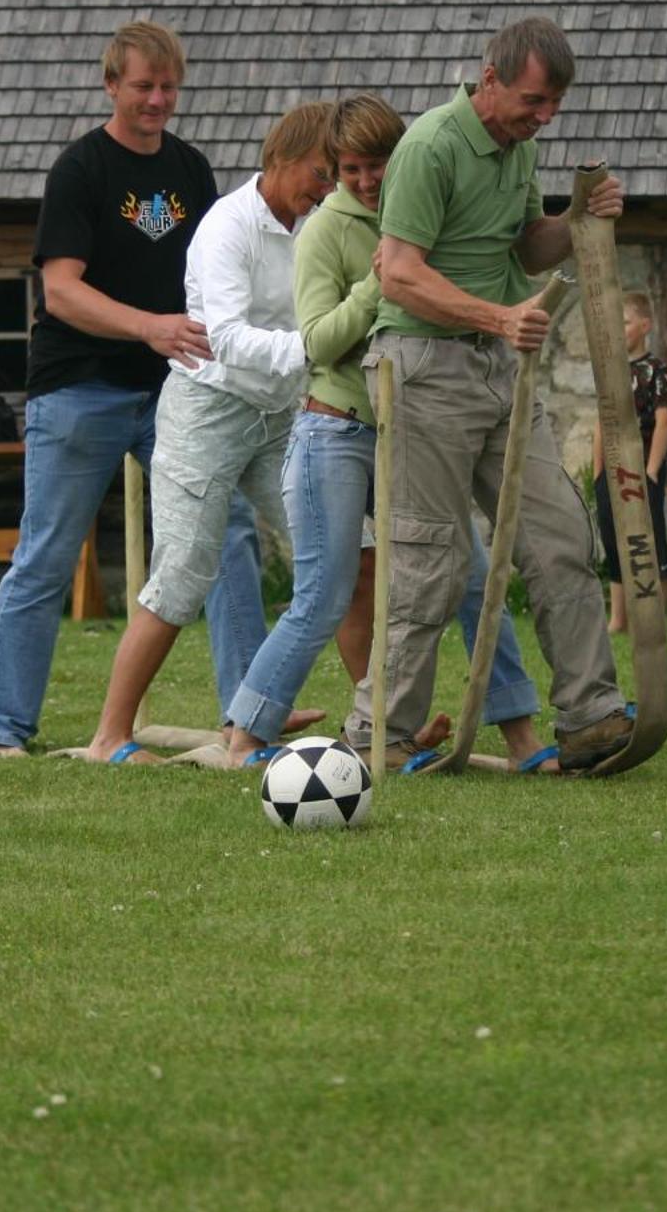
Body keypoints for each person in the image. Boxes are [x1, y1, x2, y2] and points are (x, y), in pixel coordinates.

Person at [221, 93, 555, 772]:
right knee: (324, 593)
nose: (368, 180)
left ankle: (522, 737)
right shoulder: (323, 233)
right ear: (335, 171)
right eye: (351, 170)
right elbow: (316, 343)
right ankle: (245, 738)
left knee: (470, 578)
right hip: (335, 433)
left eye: (378, 166)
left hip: (409, 434)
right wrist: (380, 290)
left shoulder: (424, 213)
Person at [0, 21, 267, 757]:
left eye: (168, 87)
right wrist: (149, 327)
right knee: (48, 553)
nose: (158, 100)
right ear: (111, 85)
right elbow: (61, 293)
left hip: (178, 390)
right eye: (143, 87)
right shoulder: (80, 170)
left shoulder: (192, 170)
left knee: (226, 534)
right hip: (79, 389)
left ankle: (250, 714)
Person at [355, 17, 632, 773]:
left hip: (500, 371)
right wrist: (500, 316)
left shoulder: (520, 149)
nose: (544, 117)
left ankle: (591, 717)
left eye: (553, 106)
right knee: (428, 559)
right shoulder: (430, 146)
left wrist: (575, 221)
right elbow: (400, 273)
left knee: (560, 538)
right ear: (489, 79)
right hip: (421, 367)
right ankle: (381, 731)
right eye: (534, 101)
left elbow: (520, 244)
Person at [80, 102, 338, 763]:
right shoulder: (227, 228)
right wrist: (318, 347)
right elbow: (222, 337)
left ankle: (368, 723)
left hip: (281, 414)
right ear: (281, 157)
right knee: (185, 571)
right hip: (207, 409)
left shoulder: (322, 223)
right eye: (320, 170)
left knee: (341, 552)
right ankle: (110, 735)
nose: (329, 184)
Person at [595, 291, 667, 635]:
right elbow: (602, 422)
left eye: (625, 322)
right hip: (612, 470)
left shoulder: (658, 372)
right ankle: (619, 618)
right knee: (613, 540)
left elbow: (664, 420)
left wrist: (653, 470)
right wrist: (598, 471)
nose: (619, 328)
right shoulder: (611, 369)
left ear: (644, 326)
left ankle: (654, 616)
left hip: (643, 469)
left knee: (650, 540)